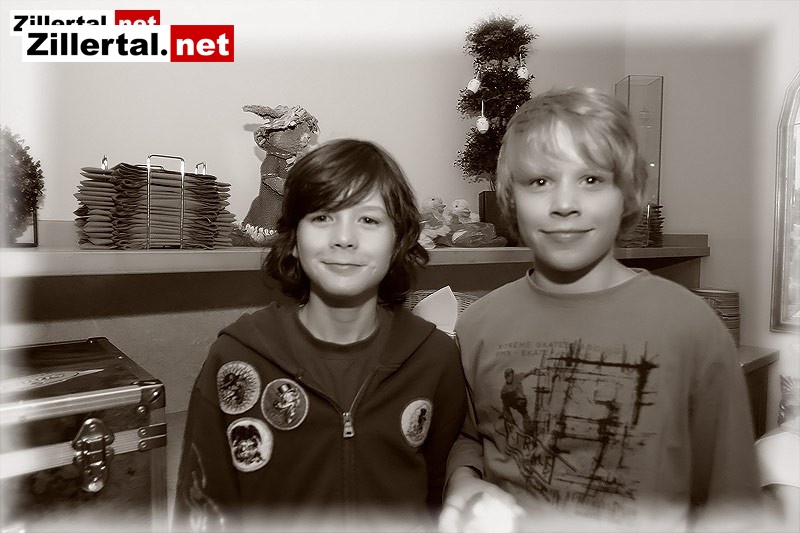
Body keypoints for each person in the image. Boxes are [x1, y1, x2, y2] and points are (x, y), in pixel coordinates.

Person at [440, 87, 764, 532]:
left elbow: (733, 499)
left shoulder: (693, 328)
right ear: (510, 198)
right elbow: (469, 438)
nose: (564, 204)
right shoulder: (478, 326)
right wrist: (463, 480)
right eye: (539, 182)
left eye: (591, 180)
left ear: (626, 194)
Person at [173, 139, 467, 532]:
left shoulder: (434, 358)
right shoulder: (235, 359)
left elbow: (440, 496)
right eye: (323, 217)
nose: (344, 238)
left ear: (398, 241)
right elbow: (200, 508)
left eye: (369, 220)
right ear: (293, 239)